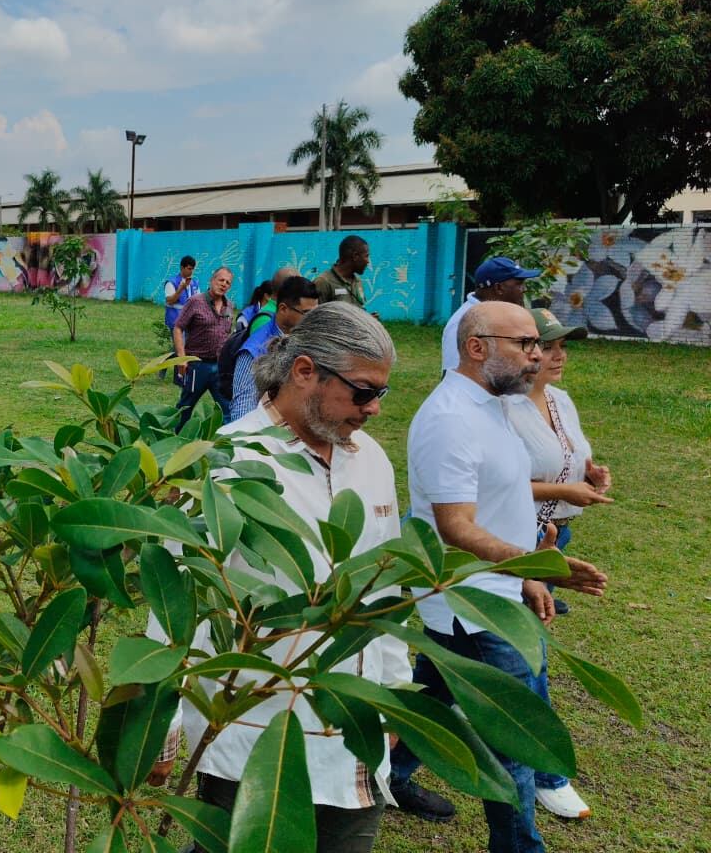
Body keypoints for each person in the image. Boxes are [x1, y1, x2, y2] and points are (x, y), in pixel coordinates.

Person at [158, 302, 407, 853]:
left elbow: (384, 589)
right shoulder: (227, 459)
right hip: (251, 730)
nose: (373, 410)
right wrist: (163, 724)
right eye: (362, 392)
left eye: (380, 394)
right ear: (304, 371)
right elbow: (176, 601)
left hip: (352, 728)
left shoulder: (372, 461)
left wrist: (390, 695)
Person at [389, 301, 609, 852]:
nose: (537, 356)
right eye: (525, 345)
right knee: (515, 744)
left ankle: (388, 772)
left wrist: (530, 573)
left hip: (499, 589)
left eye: (538, 344)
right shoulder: (449, 419)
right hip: (471, 603)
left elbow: (500, 500)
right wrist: (534, 567)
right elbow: (456, 526)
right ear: (477, 346)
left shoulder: (496, 406)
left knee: (438, 697)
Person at [505, 307, 613, 821]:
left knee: (447, 660)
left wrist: (591, 478)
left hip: (551, 538)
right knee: (533, 657)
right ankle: (549, 774)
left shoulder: (561, 400)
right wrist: (560, 489)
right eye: (547, 346)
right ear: (524, 351)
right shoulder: (501, 408)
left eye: (562, 345)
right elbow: (490, 491)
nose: (558, 354)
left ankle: (399, 759)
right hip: (505, 544)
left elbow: (570, 462)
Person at [226, 275, 319, 420]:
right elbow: (242, 409)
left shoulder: (307, 339)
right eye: (307, 313)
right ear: (283, 309)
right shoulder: (255, 350)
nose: (313, 320)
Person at [441, 257, 541, 372]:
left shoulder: (497, 314)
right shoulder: (463, 324)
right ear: (499, 288)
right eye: (519, 284)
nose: (524, 289)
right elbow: (452, 373)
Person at [173, 266, 235, 429]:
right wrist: (181, 357)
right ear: (212, 280)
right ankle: (174, 439)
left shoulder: (229, 306)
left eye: (228, 282)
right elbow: (178, 328)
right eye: (221, 280)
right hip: (196, 366)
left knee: (227, 409)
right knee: (185, 408)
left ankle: (225, 444)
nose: (224, 284)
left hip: (219, 368)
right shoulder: (195, 302)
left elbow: (227, 335)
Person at [314, 235, 371, 310]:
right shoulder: (323, 282)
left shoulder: (357, 281)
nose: (368, 261)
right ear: (355, 256)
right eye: (366, 256)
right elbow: (316, 318)